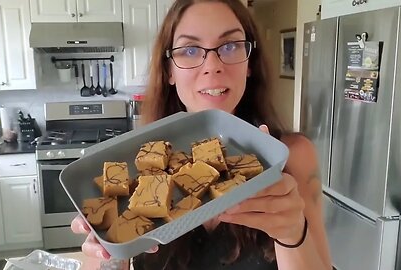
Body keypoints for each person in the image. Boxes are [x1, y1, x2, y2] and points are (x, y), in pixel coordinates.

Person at [71, 0, 332, 269]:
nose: (212, 66)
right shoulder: (134, 169)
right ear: (169, 70)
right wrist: (111, 249)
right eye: (190, 49)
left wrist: (292, 234)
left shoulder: (293, 156)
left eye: (230, 46)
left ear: (249, 64)